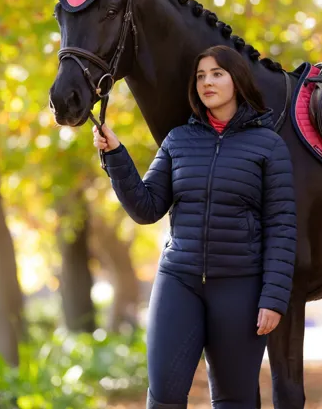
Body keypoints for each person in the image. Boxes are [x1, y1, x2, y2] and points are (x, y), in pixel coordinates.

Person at [93, 45, 298, 409]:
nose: (207, 82)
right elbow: (146, 207)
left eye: (217, 73)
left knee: (235, 400)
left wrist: (273, 298)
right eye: (201, 76)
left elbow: (281, 225)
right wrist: (116, 155)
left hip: (241, 286)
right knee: (164, 396)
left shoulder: (268, 145)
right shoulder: (179, 140)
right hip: (179, 280)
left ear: (237, 80)